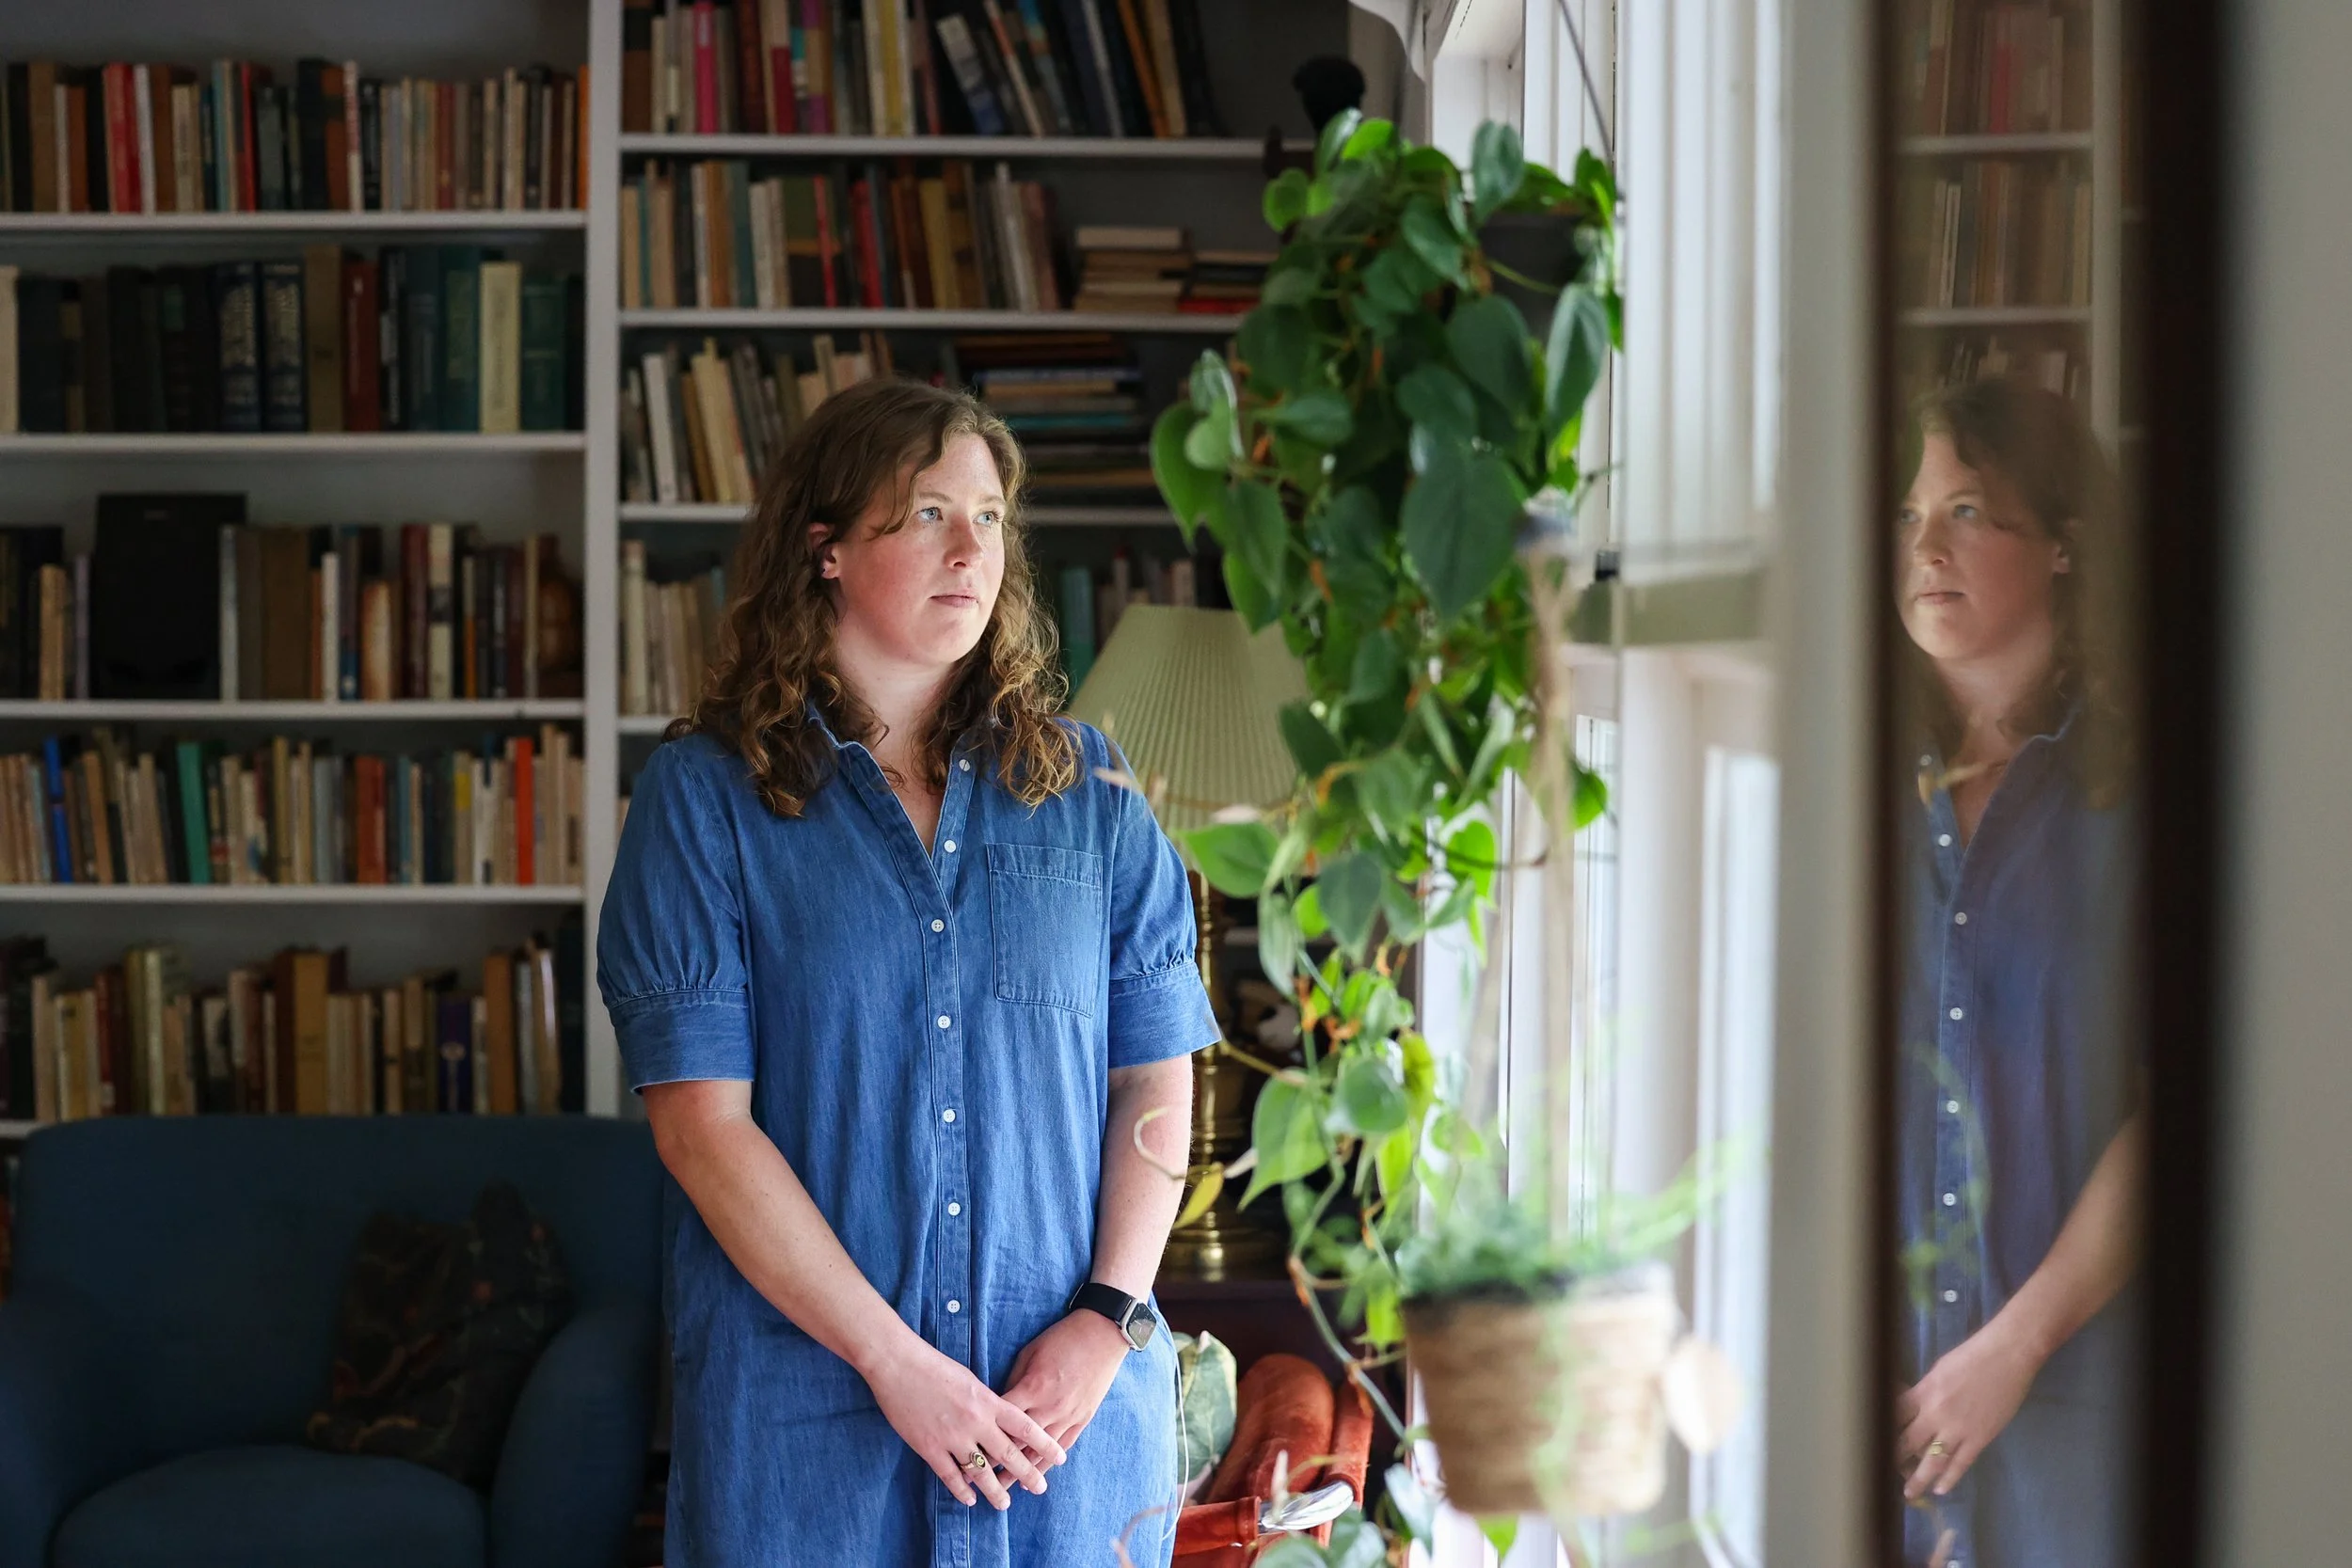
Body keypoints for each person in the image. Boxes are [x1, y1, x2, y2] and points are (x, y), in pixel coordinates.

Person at [596, 378, 1217, 1567]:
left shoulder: (1090, 792)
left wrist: (1108, 1316)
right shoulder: (705, 800)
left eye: (988, 517)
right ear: (825, 548)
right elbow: (701, 1127)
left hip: (1062, 1423)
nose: (970, 551)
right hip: (810, 1428)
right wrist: (895, 1362)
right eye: (929, 512)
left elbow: (1155, 1079)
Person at [1888, 378, 2143, 1568]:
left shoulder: (2139, 798)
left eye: (1965, 510)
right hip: (1871, 1398)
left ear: (2061, 545)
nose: (1923, 548)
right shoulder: (1840, 784)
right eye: (1908, 515)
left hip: (2074, 1415)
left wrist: (2012, 1345)